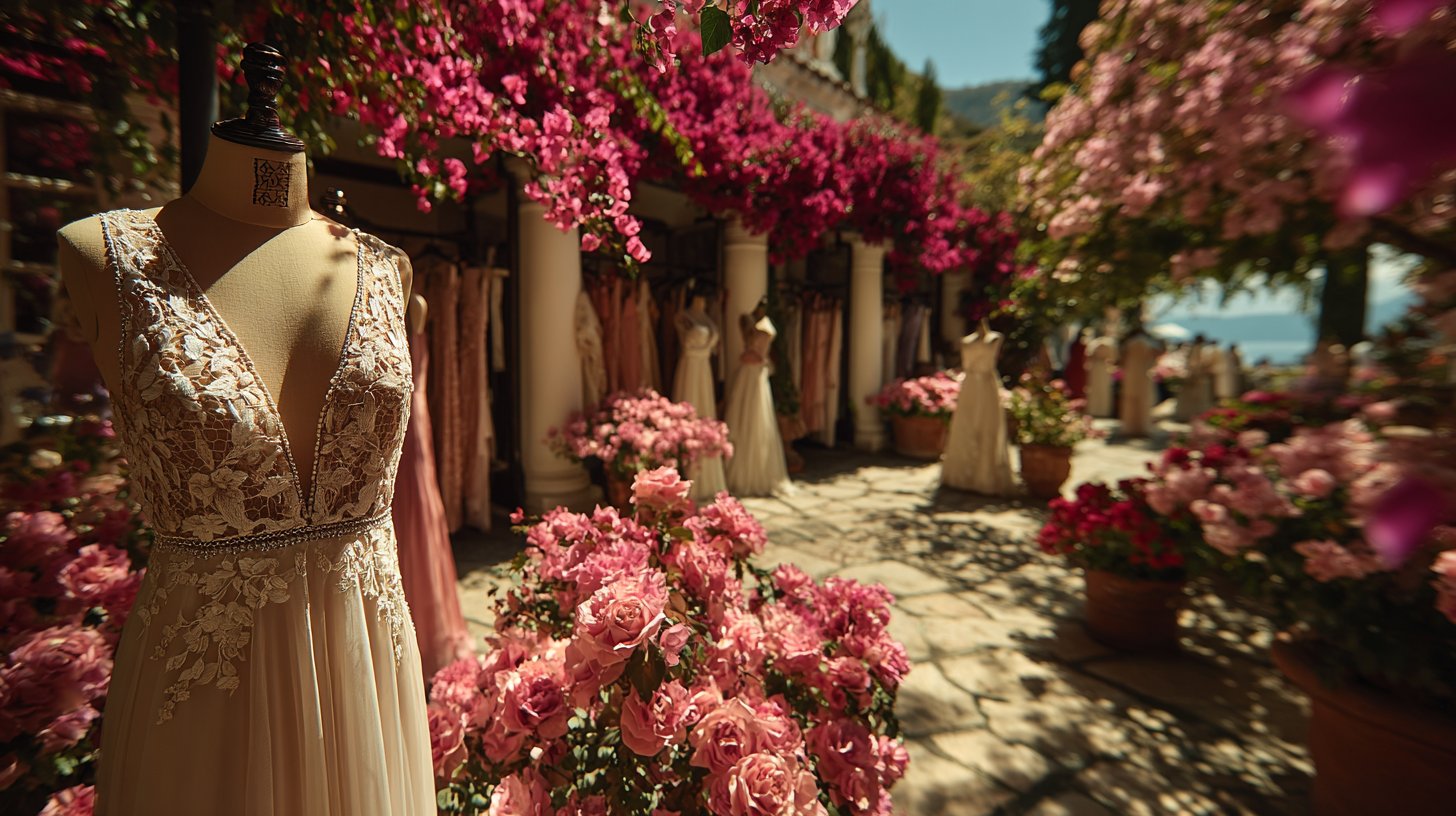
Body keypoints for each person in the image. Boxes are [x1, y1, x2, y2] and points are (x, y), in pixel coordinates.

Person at [942, 319, 1016, 495]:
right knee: (966, 425)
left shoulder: (996, 338)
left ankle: (986, 475)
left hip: (987, 385)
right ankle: (962, 475)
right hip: (970, 387)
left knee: (988, 425)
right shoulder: (966, 341)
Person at [1119, 326, 1160, 438]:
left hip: (1131, 373)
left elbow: (1122, 358)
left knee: (1130, 399)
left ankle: (1130, 426)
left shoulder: (1129, 343)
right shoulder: (1147, 342)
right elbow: (1156, 354)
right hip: (1143, 373)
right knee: (1143, 399)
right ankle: (1142, 426)